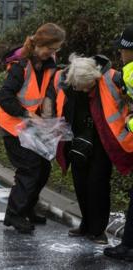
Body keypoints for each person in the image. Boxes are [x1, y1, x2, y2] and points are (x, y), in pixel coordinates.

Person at [52, 54, 133, 244]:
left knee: (98, 185)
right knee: (80, 184)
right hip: (77, 140)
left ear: (94, 79)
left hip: (103, 141)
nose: (83, 90)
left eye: (86, 87)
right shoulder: (69, 82)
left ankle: (98, 231)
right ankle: (86, 225)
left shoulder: (113, 78)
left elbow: (128, 99)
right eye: (79, 87)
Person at [0, 23, 65, 233]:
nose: (52, 53)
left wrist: (46, 106)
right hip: (12, 126)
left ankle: (27, 208)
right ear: (40, 44)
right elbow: (5, 98)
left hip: (31, 126)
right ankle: (13, 215)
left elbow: (48, 89)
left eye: (56, 50)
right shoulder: (20, 65)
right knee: (30, 169)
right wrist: (29, 115)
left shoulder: (49, 62)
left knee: (43, 168)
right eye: (50, 48)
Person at [104, 24, 133, 260]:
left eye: (122, 50)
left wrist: (130, 123)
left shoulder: (131, 72)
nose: (120, 55)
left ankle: (128, 247)